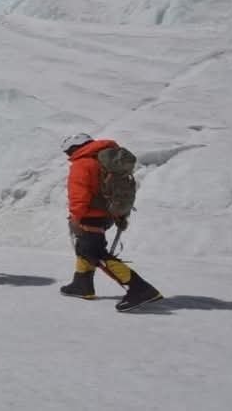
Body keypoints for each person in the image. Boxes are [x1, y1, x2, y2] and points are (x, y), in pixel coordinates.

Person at [58, 133, 162, 312]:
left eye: (68, 152)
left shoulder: (82, 164)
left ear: (75, 148)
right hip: (106, 215)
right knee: (85, 247)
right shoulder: (104, 160)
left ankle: (140, 288)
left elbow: (79, 195)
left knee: (94, 252)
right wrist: (120, 216)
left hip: (89, 215)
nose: (68, 157)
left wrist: (75, 217)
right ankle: (81, 284)